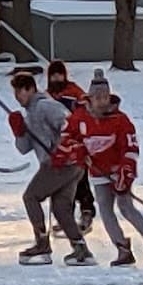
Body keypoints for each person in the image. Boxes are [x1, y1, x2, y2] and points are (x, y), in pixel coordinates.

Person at [67, 69, 143, 268]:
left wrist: (126, 172)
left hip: (118, 170)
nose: (102, 101)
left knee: (125, 206)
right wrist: (77, 151)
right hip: (97, 171)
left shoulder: (120, 120)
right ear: (90, 98)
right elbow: (69, 137)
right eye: (98, 97)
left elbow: (130, 148)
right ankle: (122, 248)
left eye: (105, 97)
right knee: (105, 208)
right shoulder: (80, 117)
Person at [8, 71, 96, 266]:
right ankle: (81, 249)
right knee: (60, 207)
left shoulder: (46, 106)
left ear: (30, 89)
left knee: (31, 197)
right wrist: (19, 132)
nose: (17, 97)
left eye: (19, 92)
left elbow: (69, 126)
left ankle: (42, 243)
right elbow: (24, 148)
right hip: (70, 165)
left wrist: (62, 150)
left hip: (62, 163)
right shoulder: (30, 115)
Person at [45, 59, 95, 235]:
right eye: (53, 75)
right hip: (56, 145)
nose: (57, 78)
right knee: (62, 183)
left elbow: (85, 111)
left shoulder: (74, 93)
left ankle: (87, 211)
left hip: (75, 142)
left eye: (60, 74)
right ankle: (65, 217)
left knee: (80, 179)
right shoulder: (47, 96)